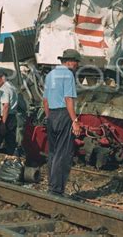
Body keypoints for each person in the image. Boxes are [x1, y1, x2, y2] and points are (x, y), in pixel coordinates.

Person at [43, 49, 81, 196]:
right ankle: (57, 190)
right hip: (63, 114)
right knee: (63, 153)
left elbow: (45, 100)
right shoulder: (68, 74)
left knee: (53, 153)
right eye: (76, 61)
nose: (77, 65)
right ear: (70, 61)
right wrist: (75, 121)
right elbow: (68, 99)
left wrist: (48, 117)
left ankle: (51, 186)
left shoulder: (50, 75)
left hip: (51, 114)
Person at [0, 70, 19, 162]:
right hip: (13, 118)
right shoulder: (13, 87)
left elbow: (6, 106)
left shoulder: (4, 89)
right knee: (10, 143)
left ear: (1, 78)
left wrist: (3, 123)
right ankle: (10, 165)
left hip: (6, 118)